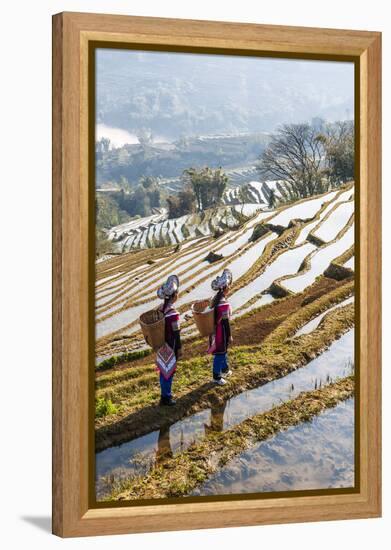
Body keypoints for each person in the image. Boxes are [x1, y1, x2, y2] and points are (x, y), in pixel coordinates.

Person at [156, 275, 182, 406]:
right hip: (171, 345)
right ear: (173, 296)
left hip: (161, 344)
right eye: (177, 293)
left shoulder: (160, 309)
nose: (178, 295)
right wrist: (179, 348)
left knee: (163, 370)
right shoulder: (173, 313)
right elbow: (176, 334)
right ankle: (166, 397)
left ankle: (164, 395)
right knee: (169, 370)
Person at [208, 268, 233, 385]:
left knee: (222, 352)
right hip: (220, 332)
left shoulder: (216, 300)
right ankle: (216, 377)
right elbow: (225, 322)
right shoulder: (223, 303)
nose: (229, 288)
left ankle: (225, 369)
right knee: (220, 354)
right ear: (224, 288)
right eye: (228, 286)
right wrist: (229, 335)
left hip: (214, 331)